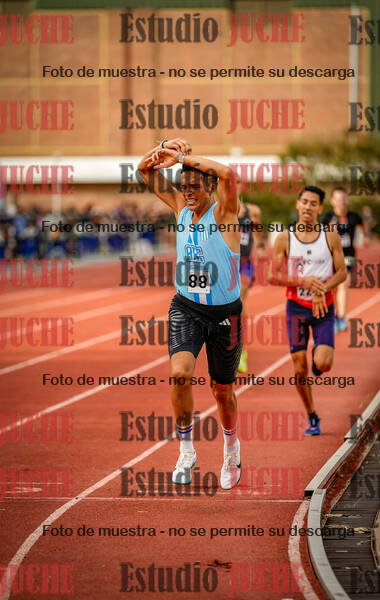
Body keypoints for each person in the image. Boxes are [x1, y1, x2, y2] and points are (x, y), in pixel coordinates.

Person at [138, 138, 243, 490]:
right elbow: (143, 169)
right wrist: (162, 147)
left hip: (225, 314)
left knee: (222, 390)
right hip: (186, 307)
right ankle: (186, 450)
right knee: (180, 375)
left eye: (195, 186)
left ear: (210, 187)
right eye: (184, 187)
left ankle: (231, 448)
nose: (188, 193)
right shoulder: (180, 208)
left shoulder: (225, 214)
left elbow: (229, 174)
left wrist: (186, 157)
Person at [268, 186, 346, 436]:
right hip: (296, 309)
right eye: (304, 202)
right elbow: (272, 275)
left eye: (313, 203)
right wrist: (302, 282)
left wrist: (322, 289)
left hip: (323, 308)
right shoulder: (285, 238)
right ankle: (312, 415)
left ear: (320, 208)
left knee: (323, 363)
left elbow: (342, 272)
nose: (308, 207)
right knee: (299, 368)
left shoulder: (330, 236)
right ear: (297, 204)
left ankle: (318, 360)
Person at [320, 187, 364, 333]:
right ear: (332, 201)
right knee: (333, 287)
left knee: (344, 283)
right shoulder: (327, 218)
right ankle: (333, 316)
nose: (341, 202)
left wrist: (366, 236)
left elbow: (363, 226)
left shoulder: (354, 217)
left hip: (348, 255)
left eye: (343, 198)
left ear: (347, 200)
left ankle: (341, 317)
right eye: (338, 199)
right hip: (330, 256)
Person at [237, 197, 264, 372]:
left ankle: (240, 350)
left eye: (236, 183)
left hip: (244, 264)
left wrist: (260, 245)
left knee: (238, 303)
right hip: (225, 264)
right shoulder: (218, 210)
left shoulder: (252, 210)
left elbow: (257, 228)